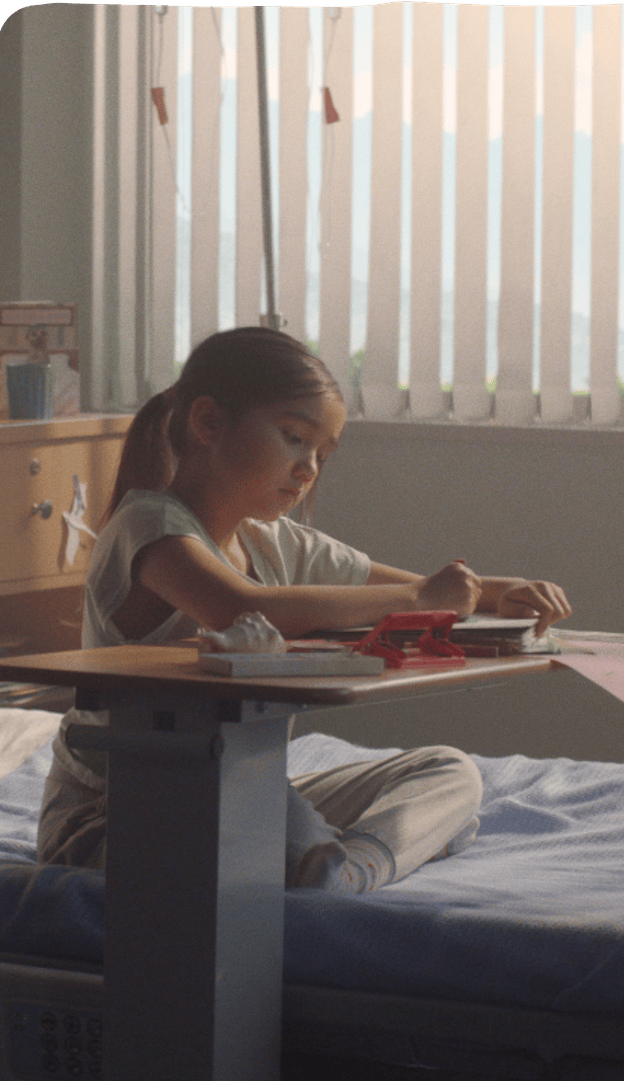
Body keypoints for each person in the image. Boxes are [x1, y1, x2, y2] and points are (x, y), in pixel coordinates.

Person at [37, 327, 571, 892]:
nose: (309, 467)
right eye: (294, 438)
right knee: (270, 815)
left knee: (448, 772)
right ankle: (332, 860)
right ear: (208, 422)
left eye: (322, 454)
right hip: (116, 810)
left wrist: (499, 592)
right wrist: (420, 600)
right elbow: (237, 607)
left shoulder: (274, 542)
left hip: (232, 784)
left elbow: (415, 588)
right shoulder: (147, 525)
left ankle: (351, 867)